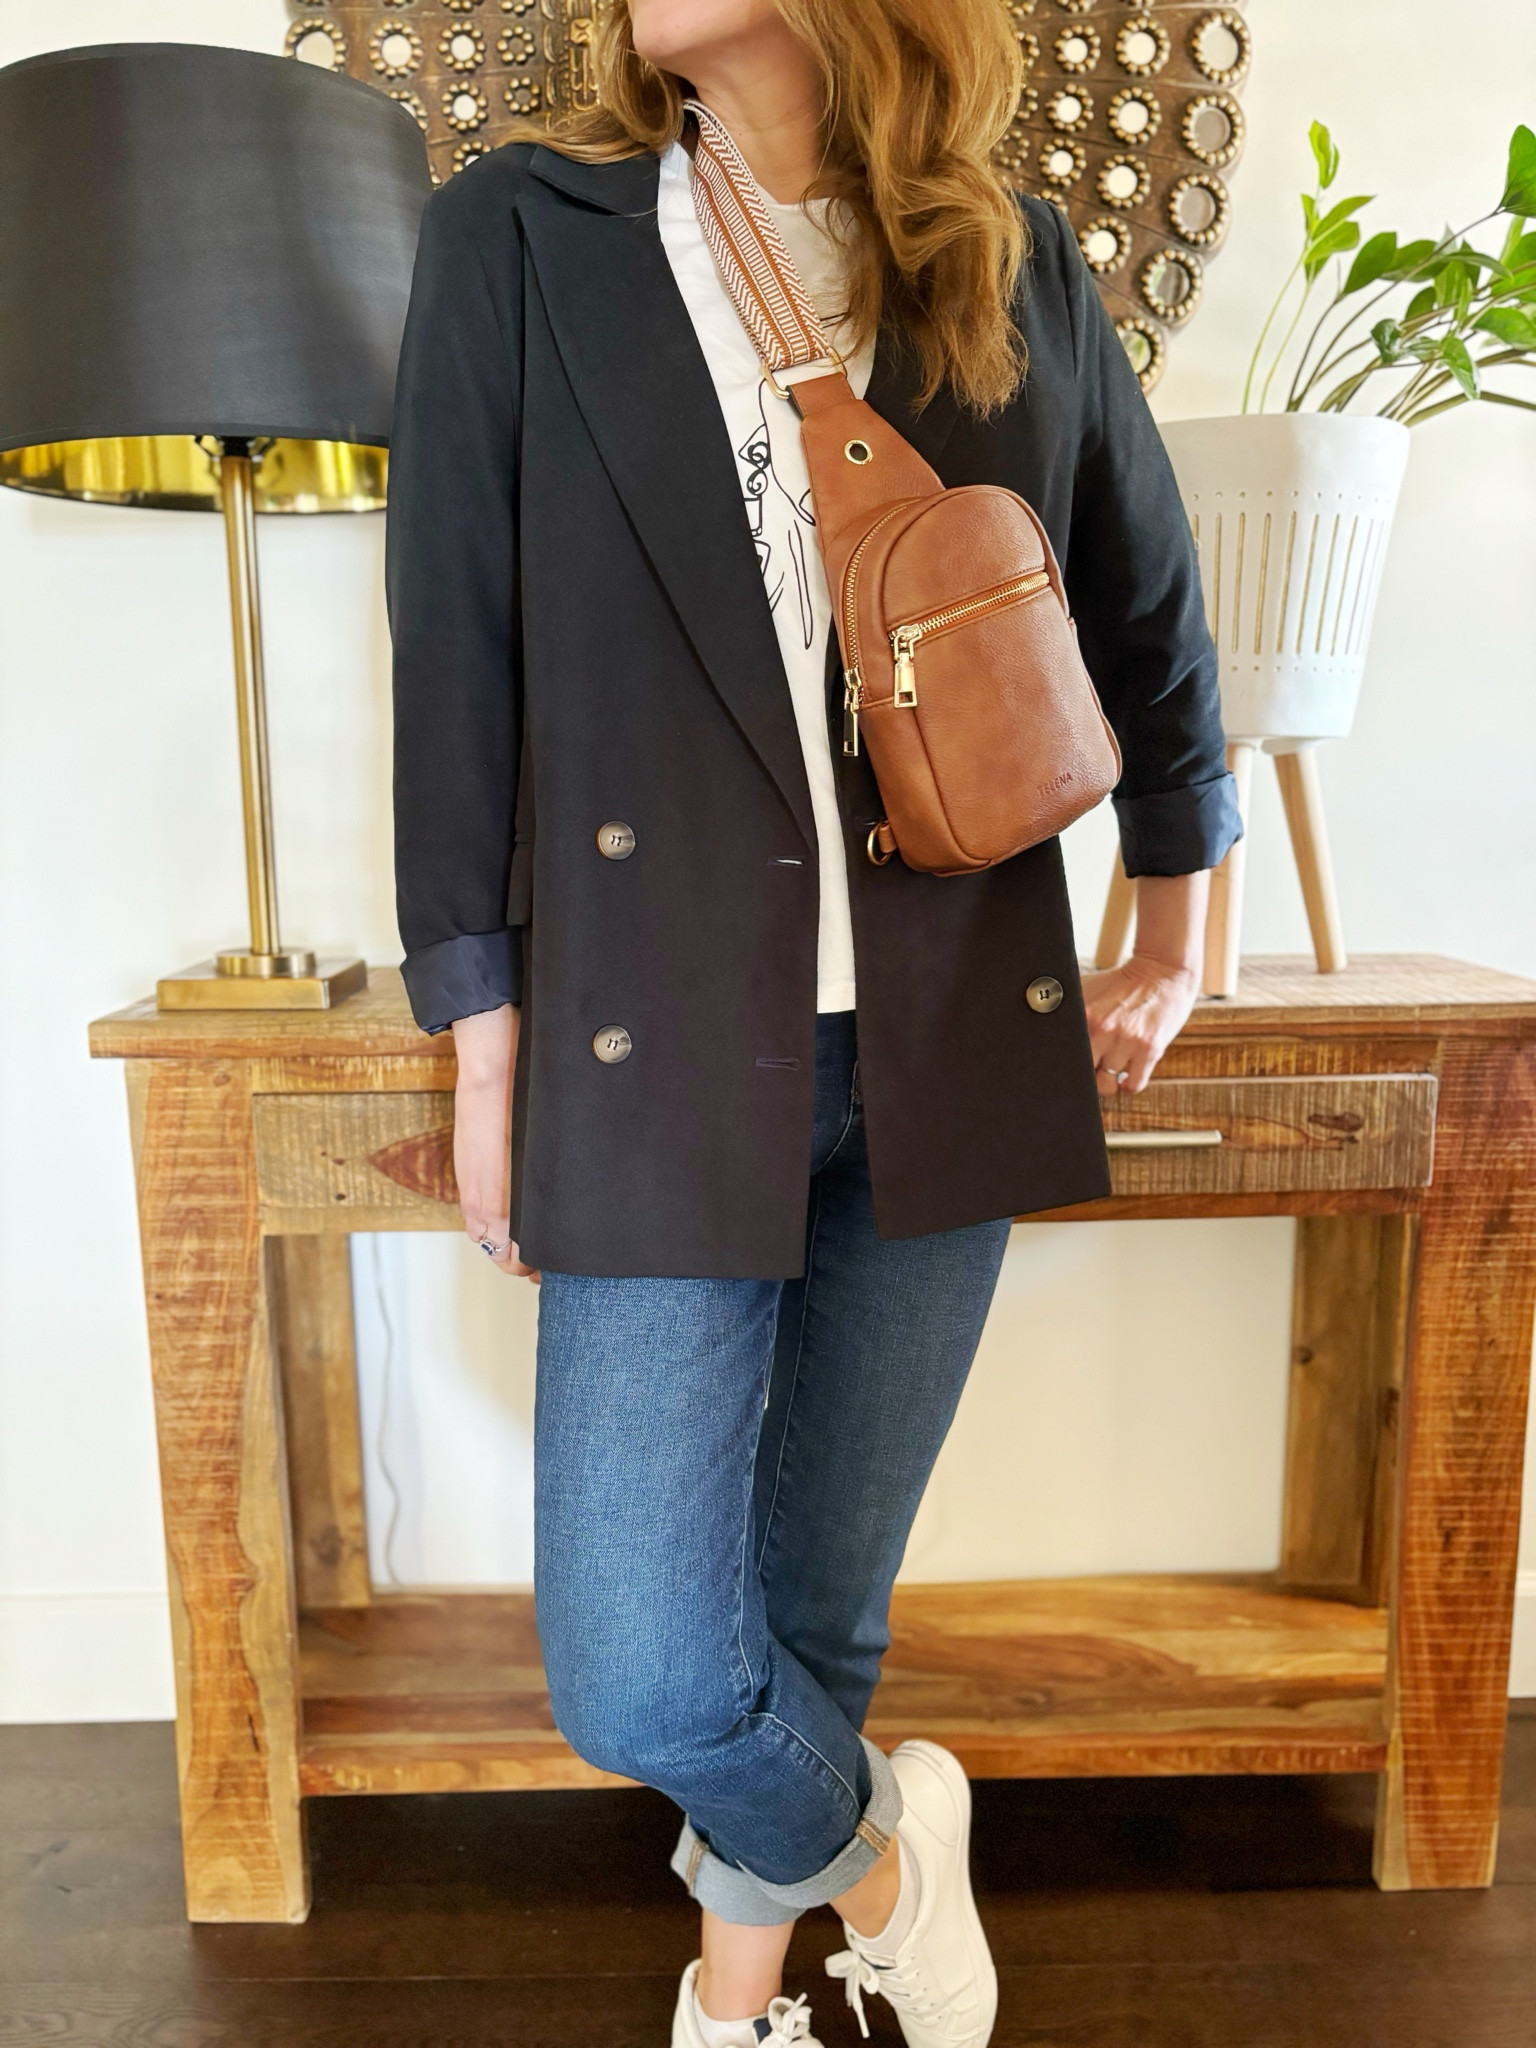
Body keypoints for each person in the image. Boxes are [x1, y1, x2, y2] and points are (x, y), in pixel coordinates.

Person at [388, 2, 1240, 2041]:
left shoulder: (1008, 256)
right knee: (642, 1669)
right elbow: (457, 654)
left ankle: (743, 2002)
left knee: (815, 1612)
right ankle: (889, 1854)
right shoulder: (528, 233)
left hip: (949, 1030)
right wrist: (478, 1045)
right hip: (655, 1047)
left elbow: (1149, 606)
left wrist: (1178, 916)